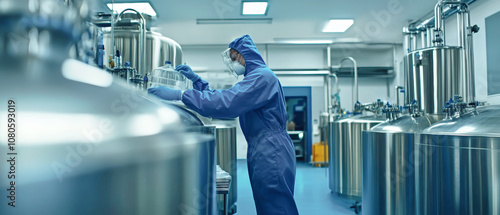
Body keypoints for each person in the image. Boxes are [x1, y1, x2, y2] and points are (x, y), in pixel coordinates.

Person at [148, 35, 299, 214]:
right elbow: (223, 99)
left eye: (235, 57)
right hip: (264, 148)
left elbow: (228, 103)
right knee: (268, 204)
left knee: (276, 206)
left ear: (246, 54)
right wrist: (197, 81)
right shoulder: (255, 78)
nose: (233, 62)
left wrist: (181, 95)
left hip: (271, 150)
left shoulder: (262, 77)